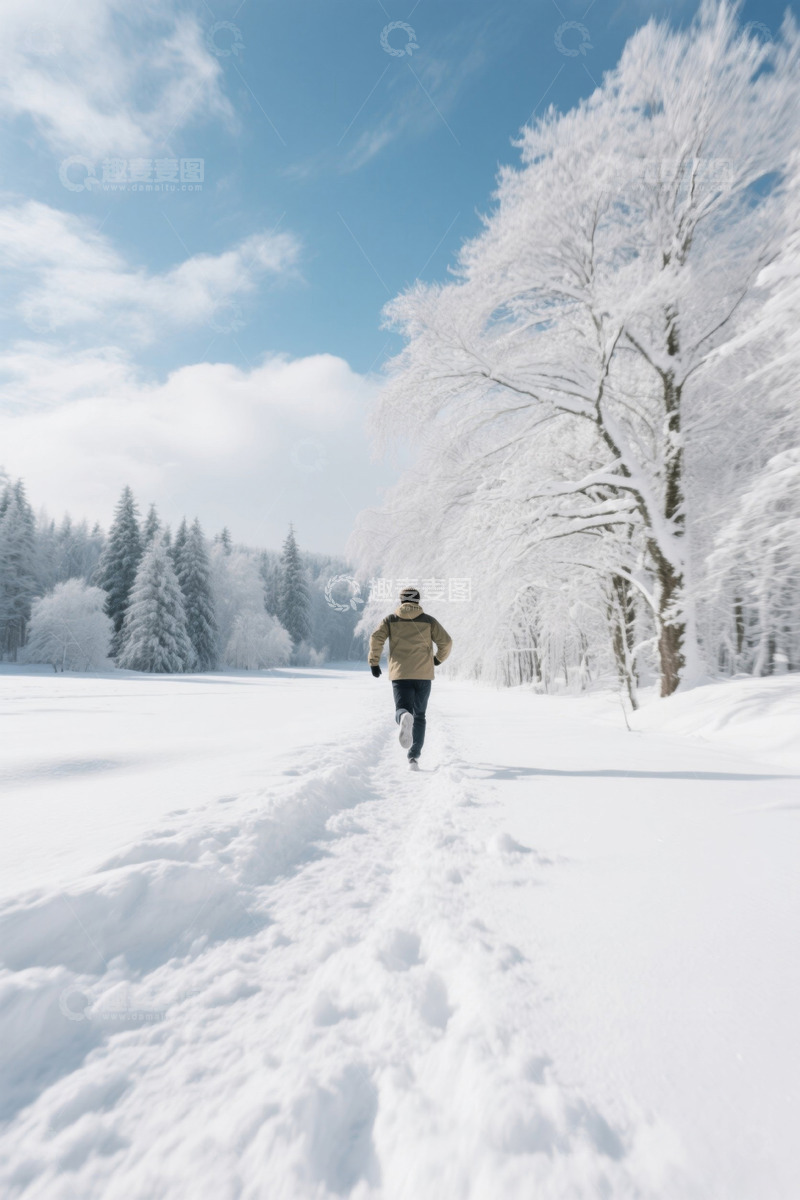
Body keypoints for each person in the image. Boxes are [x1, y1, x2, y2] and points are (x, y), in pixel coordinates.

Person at [368, 586, 453, 770]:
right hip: (423, 675)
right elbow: (446, 642)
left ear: (401, 601)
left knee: (402, 709)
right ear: (417, 601)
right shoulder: (429, 621)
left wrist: (374, 662)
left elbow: (376, 638)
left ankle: (404, 716)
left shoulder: (390, 620)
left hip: (401, 674)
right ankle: (413, 757)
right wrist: (437, 659)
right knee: (420, 716)